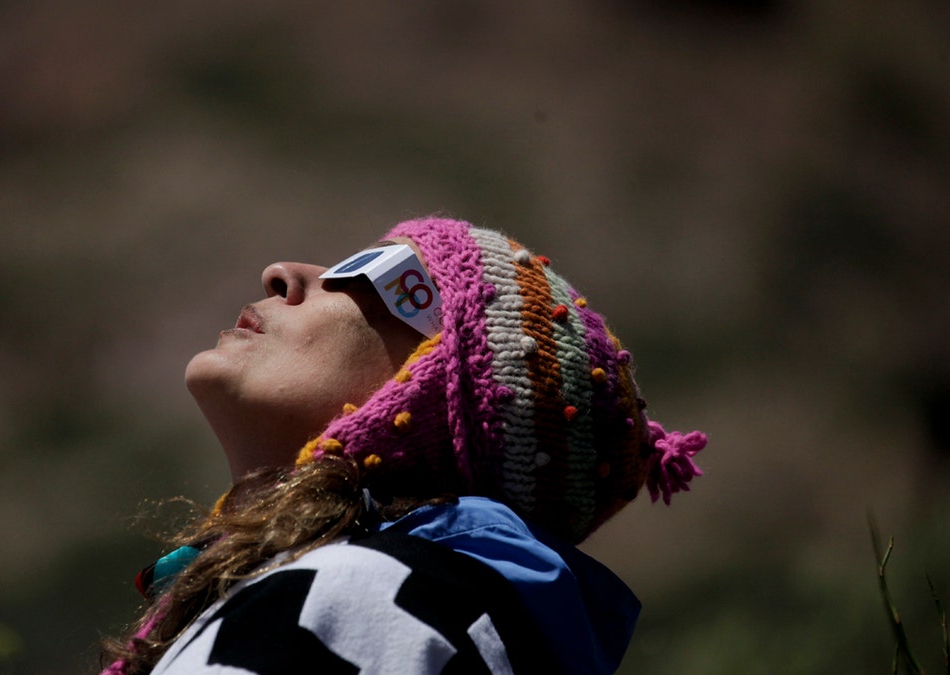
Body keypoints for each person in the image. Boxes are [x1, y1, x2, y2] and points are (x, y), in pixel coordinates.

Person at [99, 216, 707, 674]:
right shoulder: (405, 606)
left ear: (436, 397)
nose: (285, 274)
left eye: (371, 272)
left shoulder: (354, 598)